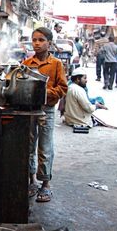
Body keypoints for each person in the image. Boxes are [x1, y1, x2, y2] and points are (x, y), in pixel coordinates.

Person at [24, 27, 67, 203]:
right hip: (29, 110)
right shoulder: (27, 63)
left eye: (41, 40)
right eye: (34, 40)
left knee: (45, 147)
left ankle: (46, 184)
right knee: (28, 146)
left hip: (46, 110)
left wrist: (44, 92)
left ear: (49, 43)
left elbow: (63, 88)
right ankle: (31, 181)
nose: (37, 43)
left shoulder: (56, 64)